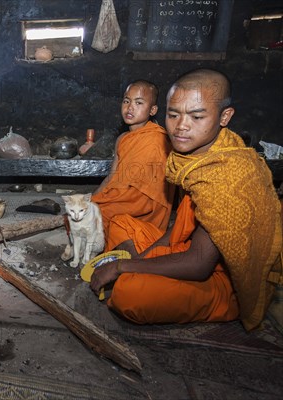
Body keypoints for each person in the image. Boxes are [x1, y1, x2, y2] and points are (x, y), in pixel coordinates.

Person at [90, 69, 282, 331]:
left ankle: (217, 302)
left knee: (131, 294)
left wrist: (123, 267)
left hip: (221, 277)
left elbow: (199, 265)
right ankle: (141, 269)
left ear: (225, 116)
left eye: (197, 116)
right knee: (122, 223)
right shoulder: (193, 156)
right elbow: (180, 227)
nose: (181, 126)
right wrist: (142, 261)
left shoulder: (229, 175)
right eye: (173, 114)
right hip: (190, 248)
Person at [91, 80, 174, 244]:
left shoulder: (158, 139)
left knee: (102, 218)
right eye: (126, 101)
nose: (130, 108)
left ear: (152, 110)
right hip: (121, 197)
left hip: (143, 204)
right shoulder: (122, 139)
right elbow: (112, 177)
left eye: (139, 102)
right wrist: (93, 199)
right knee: (82, 212)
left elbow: (150, 190)